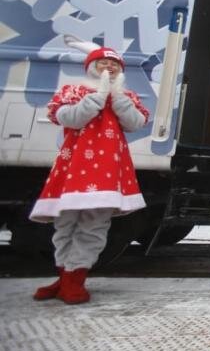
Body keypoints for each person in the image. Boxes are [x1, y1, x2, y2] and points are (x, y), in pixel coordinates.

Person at [30, 43, 149, 304]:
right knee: (65, 223)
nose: (109, 67)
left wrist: (115, 96)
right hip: (74, 168)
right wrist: (97, 96)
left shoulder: (125, 97)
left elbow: (135, 123)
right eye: (103, 63)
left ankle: (75, 279)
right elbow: (70, 118)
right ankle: (64, 276)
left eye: (114, 64)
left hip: (107, 171)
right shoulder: (73, 91)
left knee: (94, 224)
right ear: (91, 67)